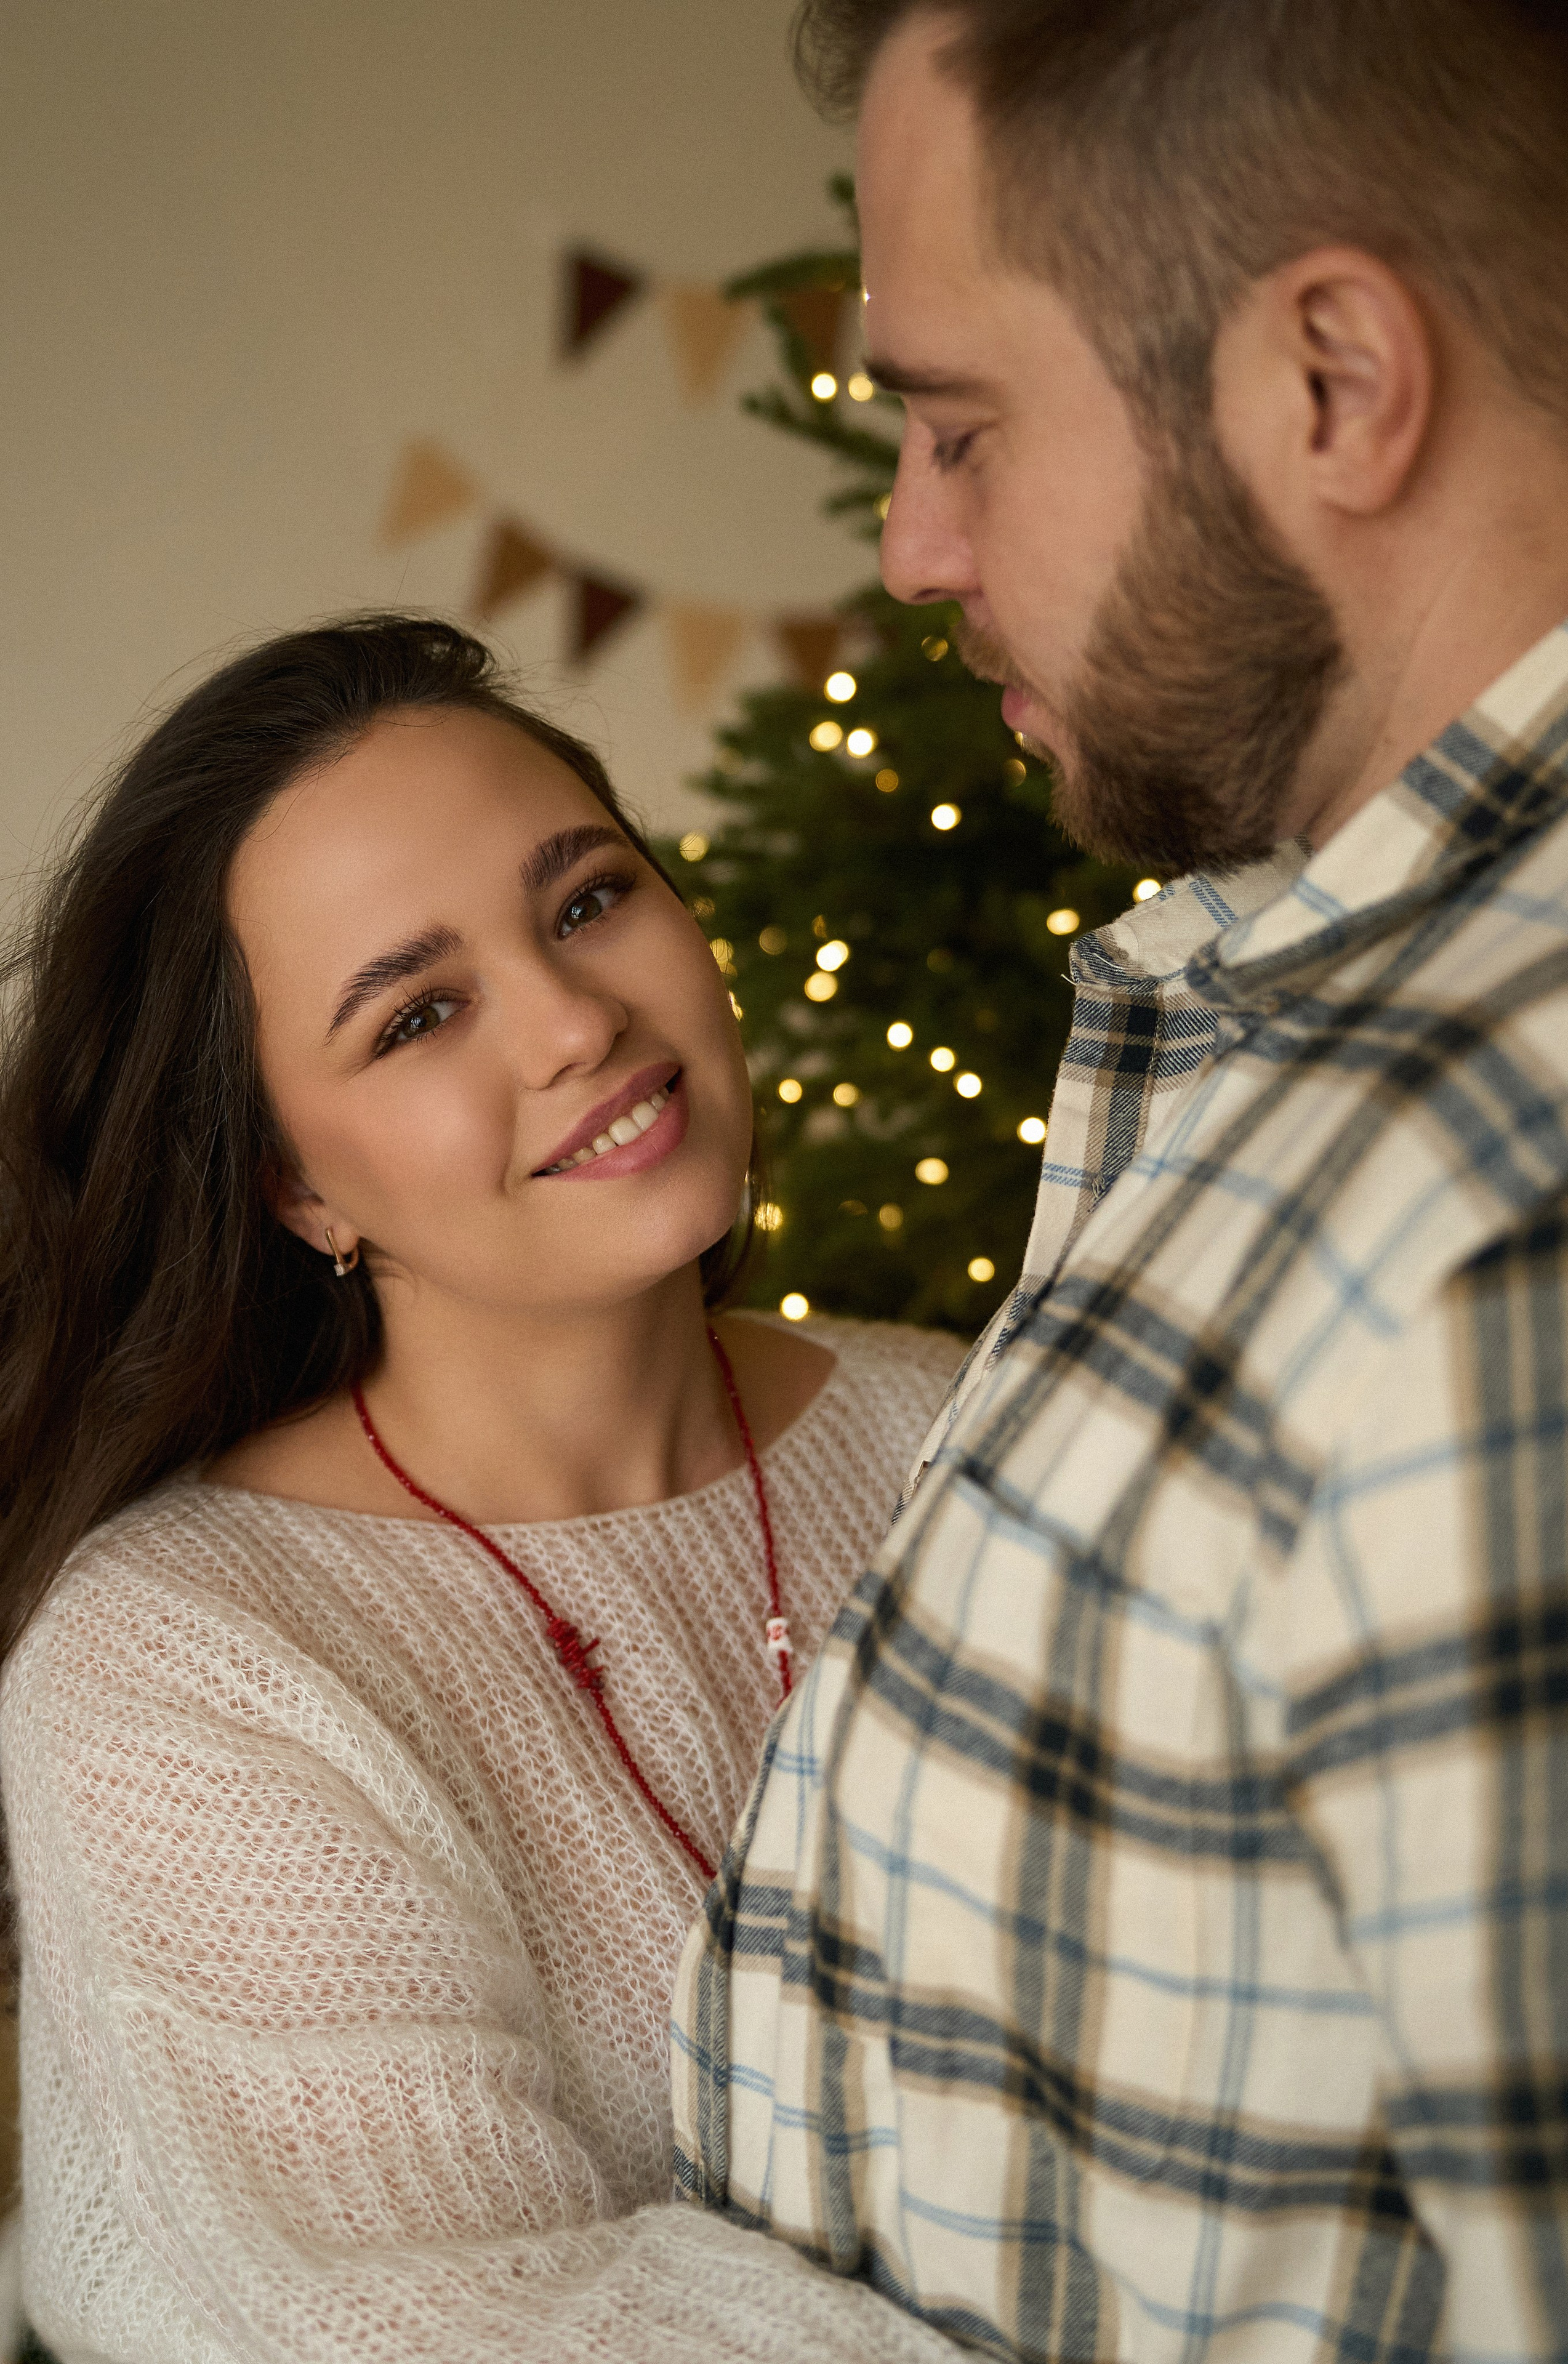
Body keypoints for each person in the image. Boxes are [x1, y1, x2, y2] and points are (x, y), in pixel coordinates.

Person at [670, 4, 1568, 2359]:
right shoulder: (1295, 1028)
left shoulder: (1504, 1200)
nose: (912, 545)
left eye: (963, 426)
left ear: (1332, 385)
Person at [0, 615, 967, 2364]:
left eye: (588, 900)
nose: (579, 1023)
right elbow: (454, 2321)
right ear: (298, 1189)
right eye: (420, 1014)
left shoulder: (966, 1424)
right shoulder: (181, 1663)